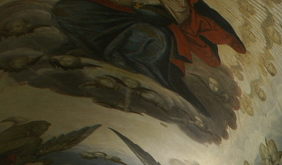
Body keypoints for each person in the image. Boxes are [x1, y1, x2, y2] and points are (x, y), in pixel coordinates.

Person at [50, 0, 247, 114]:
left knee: (147, 37)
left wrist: (148, 8)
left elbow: (183, 14)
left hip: (155, 23)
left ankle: (156, 77)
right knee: (65, 10)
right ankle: (86, 44)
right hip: (115, 11)